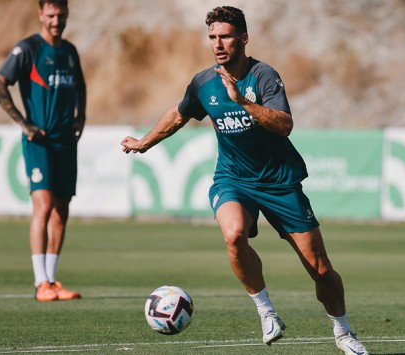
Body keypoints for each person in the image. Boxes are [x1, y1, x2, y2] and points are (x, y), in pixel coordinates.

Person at [121, 6, 370, 355]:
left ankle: (343, 333)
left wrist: (242, 102)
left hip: (280, 183)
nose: (217, 44)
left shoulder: (264, 76)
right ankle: (266, 311)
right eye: (212, 37)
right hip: (233, 179)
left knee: (320, 268)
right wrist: (144, 141)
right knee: (234, 233)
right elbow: (179, 114)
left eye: (225, 36)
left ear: (243, 38)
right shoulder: (203, 82)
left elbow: (285, 125)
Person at [0, 0, 86, 302]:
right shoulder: (28, 49)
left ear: (67, 15)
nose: (56, 20)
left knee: (61, 209)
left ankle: (52, 280)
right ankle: (40, 282)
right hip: (39, 141)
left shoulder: (69, 52)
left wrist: (80, 116)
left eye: (61, 15)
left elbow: (81, 87)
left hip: (65, 142)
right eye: (51, 15)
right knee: (43, 207)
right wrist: (24, 123)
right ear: (40, 15)